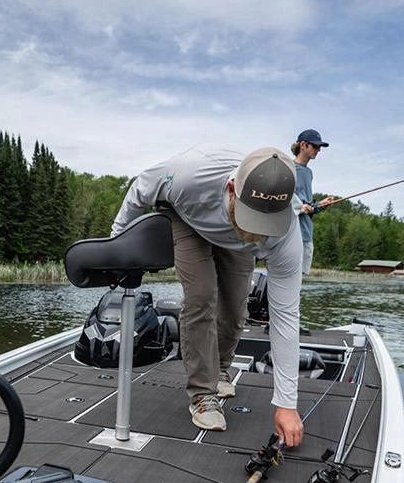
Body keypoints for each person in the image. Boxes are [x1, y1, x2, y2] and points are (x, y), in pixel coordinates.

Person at [110, 145, 305, 448]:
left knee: (236, 305)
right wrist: (116, 244)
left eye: (265, 222)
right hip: (187, 217)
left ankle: (221, 370)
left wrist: (287, 404)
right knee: (202, 296)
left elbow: (286, 317)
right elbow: (139, 191)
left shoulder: (286, 231)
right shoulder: (188, 174)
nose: (257, 231)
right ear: (232, 189)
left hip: (233, 241)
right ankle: (202, 394)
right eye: (251, 217)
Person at [291, 129, 337, 275]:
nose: (318, 150)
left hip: (306, 232)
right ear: (303, 145)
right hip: (291, 233)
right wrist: (300, 207)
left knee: (299, 279)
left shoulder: (309, 173)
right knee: (288, 277)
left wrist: (320, 205)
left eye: (320, 147)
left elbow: (307, 205)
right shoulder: (288, 168)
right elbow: (283, 199)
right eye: (315, 146)